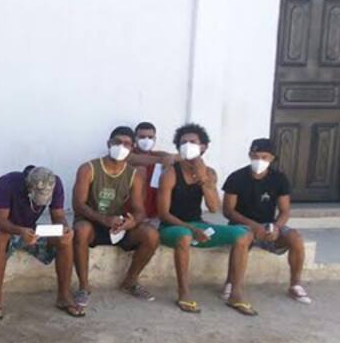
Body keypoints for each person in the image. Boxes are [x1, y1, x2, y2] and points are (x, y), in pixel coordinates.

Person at [156, 123, 256, 315]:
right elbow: (163, 214)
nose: (188, 145)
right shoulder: (170, 174)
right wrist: (191, 229)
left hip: (198, 225)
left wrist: (203, 179)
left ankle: (235, 294)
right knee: (184, 236)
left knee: (244, 234)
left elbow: (213, 207)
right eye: (183, 142)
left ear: (204, 147)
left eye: (193, 142)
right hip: (172, 227)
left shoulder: (209, 173)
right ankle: (183, 293)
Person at [71, 126, 160, 303]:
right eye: (117, 142)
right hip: (92, 223)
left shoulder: (134, 174)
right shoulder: (88, 168)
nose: (121, 147)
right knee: (81, 230)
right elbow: (78, 205)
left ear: (132, 148)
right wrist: (103, 219)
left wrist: (131, 222)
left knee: (151, 235)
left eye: (127, 144)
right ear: (108, 143)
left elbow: (139, 210)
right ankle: (83, 287)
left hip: (118, 226)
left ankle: (130, 281)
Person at [0, 166, 78, 318]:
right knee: (0, 237)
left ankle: (64, 296)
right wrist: (21, 232)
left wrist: (64, 228)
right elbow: (0, 221)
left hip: (29, 230)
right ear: (29, 187)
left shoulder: (55, 183)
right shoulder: (7, 183)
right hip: (3, 229)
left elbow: (58, 215)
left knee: (65, 239)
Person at [223, 138, 311, 304]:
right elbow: (228, 211)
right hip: (242, 224)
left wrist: (276, 227)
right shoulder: (236, 177)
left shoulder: (279, 179)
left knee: (296, 238)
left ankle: (295, 285)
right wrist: (254, 226)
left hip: (269, 225)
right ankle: (232, 284)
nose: (259, 160)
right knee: (242, 240)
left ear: (272, 158)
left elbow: (285, 210)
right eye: (255, 156)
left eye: (264, 157)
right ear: (250, 155)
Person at [128, 121, 177, 224]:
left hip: (155, 215)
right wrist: (163, 159)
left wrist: (169, 157)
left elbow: (179, 157)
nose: (146, 140)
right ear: (135, 139)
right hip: (132, 214)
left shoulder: (158, 156)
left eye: (150, 137)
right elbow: (135, 158)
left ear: (155, 139)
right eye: (142, 137)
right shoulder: (127, 155)